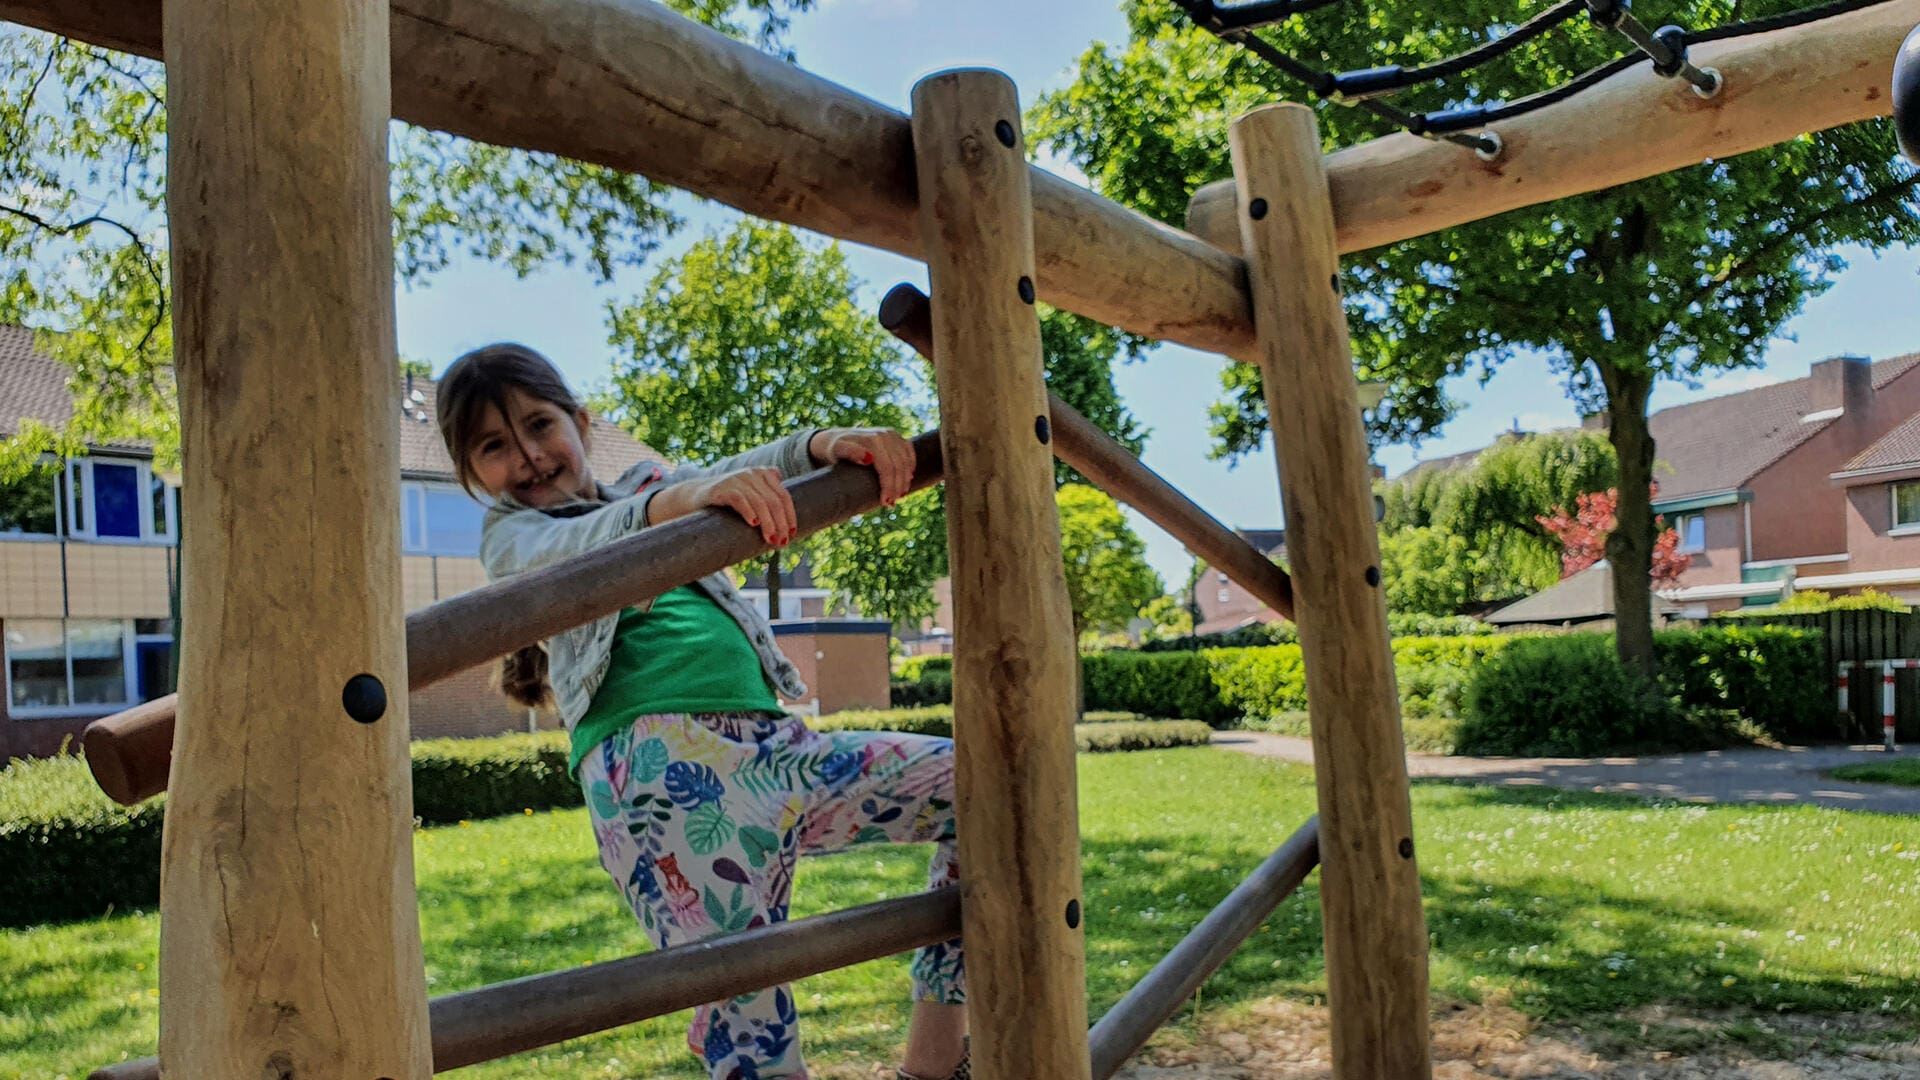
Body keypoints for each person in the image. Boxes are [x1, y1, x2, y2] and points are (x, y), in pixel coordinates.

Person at [436, 343, 968, 1080]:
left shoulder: (653, 482)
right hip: (660, 775)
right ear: (472, 477)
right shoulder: (511, 534)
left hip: (779, 748)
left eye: (538, 424)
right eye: (494, 446)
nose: (527, 455)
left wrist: (822, 446)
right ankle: (720, 1003)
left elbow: (750, 468)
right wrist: (679, 506)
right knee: (757, 1040)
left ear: (581, 422)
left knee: (985, 790)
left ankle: (936, 1061)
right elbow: (573, 545)